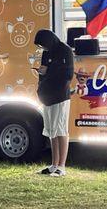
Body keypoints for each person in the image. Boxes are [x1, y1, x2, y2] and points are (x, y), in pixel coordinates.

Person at [34, 29, 74, 177]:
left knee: (61, 129)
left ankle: (61, 166)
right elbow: (43, 72)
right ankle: (54, 164)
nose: (42, 48)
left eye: (42, 45)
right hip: (47, 95)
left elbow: (67, 75)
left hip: (60, 96)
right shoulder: (47, 52)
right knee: (51, 131)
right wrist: (41, 79)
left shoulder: (65, 51)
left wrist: (48, 72)